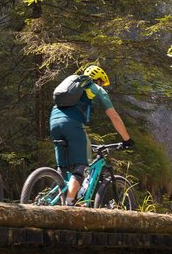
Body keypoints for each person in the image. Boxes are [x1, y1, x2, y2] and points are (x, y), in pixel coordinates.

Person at [49, 65, 133, 206]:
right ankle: (68, 205)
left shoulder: (73, 84)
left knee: (63, 168)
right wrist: (127, 139)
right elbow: (114, 116)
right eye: (101, 82)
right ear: (98, 80)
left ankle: (55, 200)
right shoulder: (95, 88)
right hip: (72, 123)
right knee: (80, 166)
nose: (101, 85)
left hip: (53, 120)